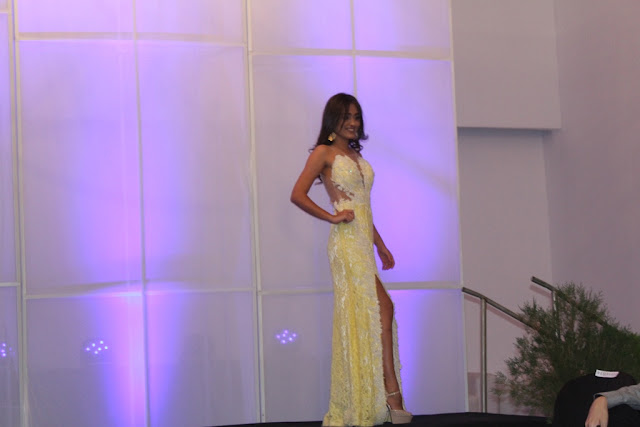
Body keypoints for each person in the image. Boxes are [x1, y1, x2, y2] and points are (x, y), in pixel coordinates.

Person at [291, 93, 412, 426]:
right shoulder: (323, 152)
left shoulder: (355, 155)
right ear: (334, 119)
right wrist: (332, 217)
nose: (353, 123)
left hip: (363, 242)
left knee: (375, 314)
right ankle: (391, 394)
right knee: (382, 308)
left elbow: (363, 208)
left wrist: (381, 245)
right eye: (347, 117)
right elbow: (297, 194)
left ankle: (381, 397)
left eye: (357, 117)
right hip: (345, 244)